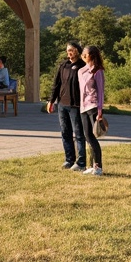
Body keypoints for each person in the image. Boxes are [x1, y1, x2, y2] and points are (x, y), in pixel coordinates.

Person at [47, 41, 86, 170]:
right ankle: (69, 159)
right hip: (62, 104)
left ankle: (81, 163)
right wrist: (51, 101)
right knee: (65, 132)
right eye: (67, 50)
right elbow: (56, 84)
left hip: (76, 105)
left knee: (79, 134)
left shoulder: (82, 66)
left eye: (71, 49)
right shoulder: (63, 65)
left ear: (77, 51)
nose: (68, 52)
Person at [78, 45, 106, 176]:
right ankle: (90, 165)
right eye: (82, 53)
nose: (83, 55)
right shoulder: (82, 71)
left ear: (92, 55)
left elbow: (100, 92)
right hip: (83, 107)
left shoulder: (98, 71)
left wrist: (100, 110)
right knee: (87, 136)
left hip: (93, 106)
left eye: (85, 53)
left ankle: (98, 167)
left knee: (93, 137)